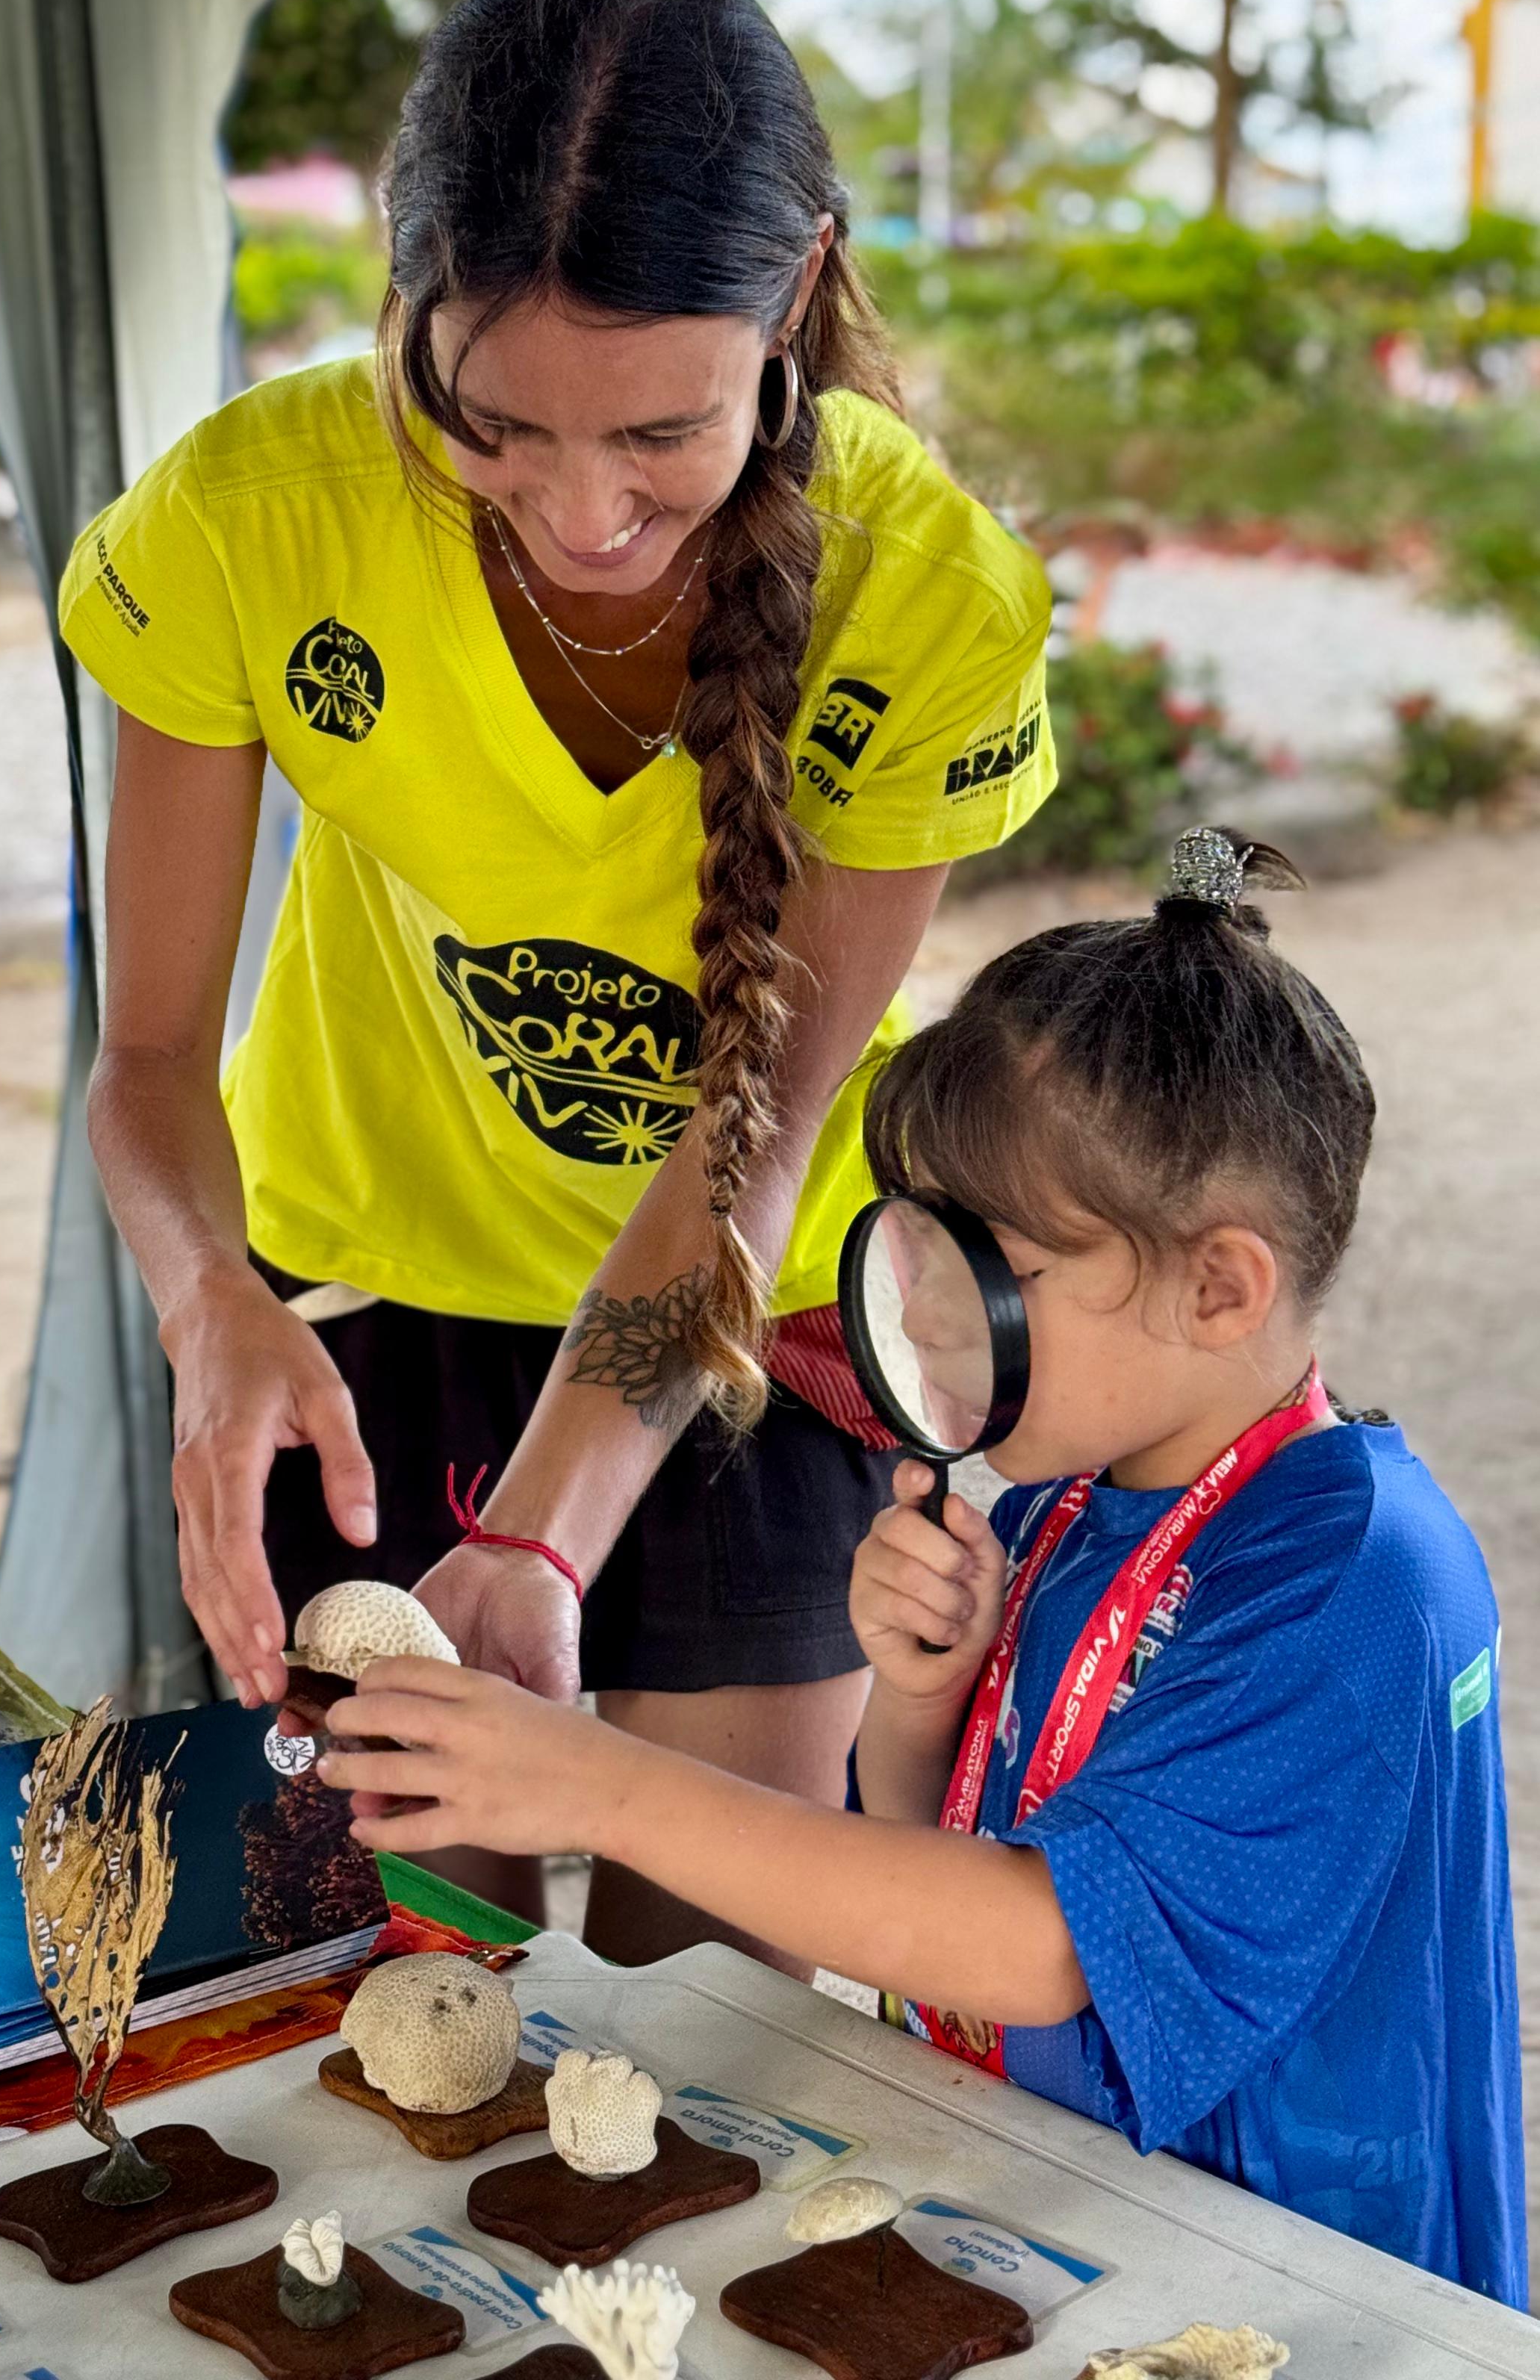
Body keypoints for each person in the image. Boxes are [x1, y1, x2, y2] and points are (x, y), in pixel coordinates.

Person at [60, 0, 1056, 1965]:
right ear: (406, 305)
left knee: (726, 2037)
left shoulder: (922, 591)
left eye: (661, 437)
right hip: (364, 1300)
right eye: (492, 426)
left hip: (742, 1333)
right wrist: (204, 1305)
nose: (577, 514)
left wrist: (538, 1534)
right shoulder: (253, 518)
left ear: (787, 303)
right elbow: (147, 1060)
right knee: (420, 1984)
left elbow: (751, 1150)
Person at [320, 828, 1526, 2307]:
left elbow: (1033, 1946)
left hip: (1297, 2278)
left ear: (1219, 1285)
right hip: (1085, 2217)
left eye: (987, 1270)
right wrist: (919, 1701)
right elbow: (929, 1836)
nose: (934, 1326)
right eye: (918, 1259)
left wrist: (594, 1789)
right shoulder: (1067, 1503)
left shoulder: (1350, 1580)